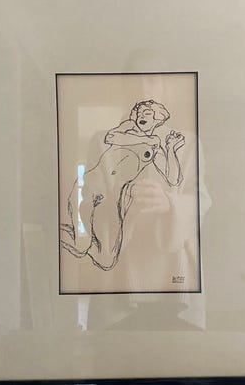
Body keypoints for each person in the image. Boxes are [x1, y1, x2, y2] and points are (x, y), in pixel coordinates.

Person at [60, 100, 185, 270]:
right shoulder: (120, 133)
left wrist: (170, 150)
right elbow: (111, 138)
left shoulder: (157, 144)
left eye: (148, 114)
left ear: (157, 120)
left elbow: (173, 179)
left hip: (151, 244)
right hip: (110, 201)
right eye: (138, 112)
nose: (141, 116)